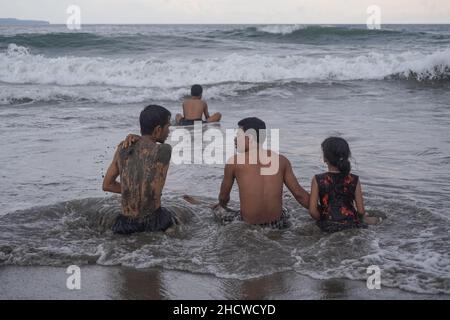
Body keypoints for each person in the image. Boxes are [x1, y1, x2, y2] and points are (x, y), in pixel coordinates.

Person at [211, 117, 310, 229]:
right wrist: (323, 211)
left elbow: (224, 197)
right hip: (277, 224)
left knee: (216, 210)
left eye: (238, 135)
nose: (235, 139)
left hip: (249, 226)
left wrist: (221, 205)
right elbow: (300, 195)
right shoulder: (281, 160)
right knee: (286, 207)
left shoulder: (234, 162)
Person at [102, 104, 179, 234]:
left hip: (125, 224)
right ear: (158, 129)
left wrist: (131, 191)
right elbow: (150, 150)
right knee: (181, 219)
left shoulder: (122, 148)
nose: (169, 132)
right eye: (168, 127)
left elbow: (107, 185)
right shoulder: (164, 150)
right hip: (155, 221)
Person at [309, 137, 382, 233]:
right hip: (351, 223)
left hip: (327, 224)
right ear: (347, 156)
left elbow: (313, 211)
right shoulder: (354, 179)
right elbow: (360, 211)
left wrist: (323, 219)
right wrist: (364, 218)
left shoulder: (318, 179)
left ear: (325, 158)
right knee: (379, 219)